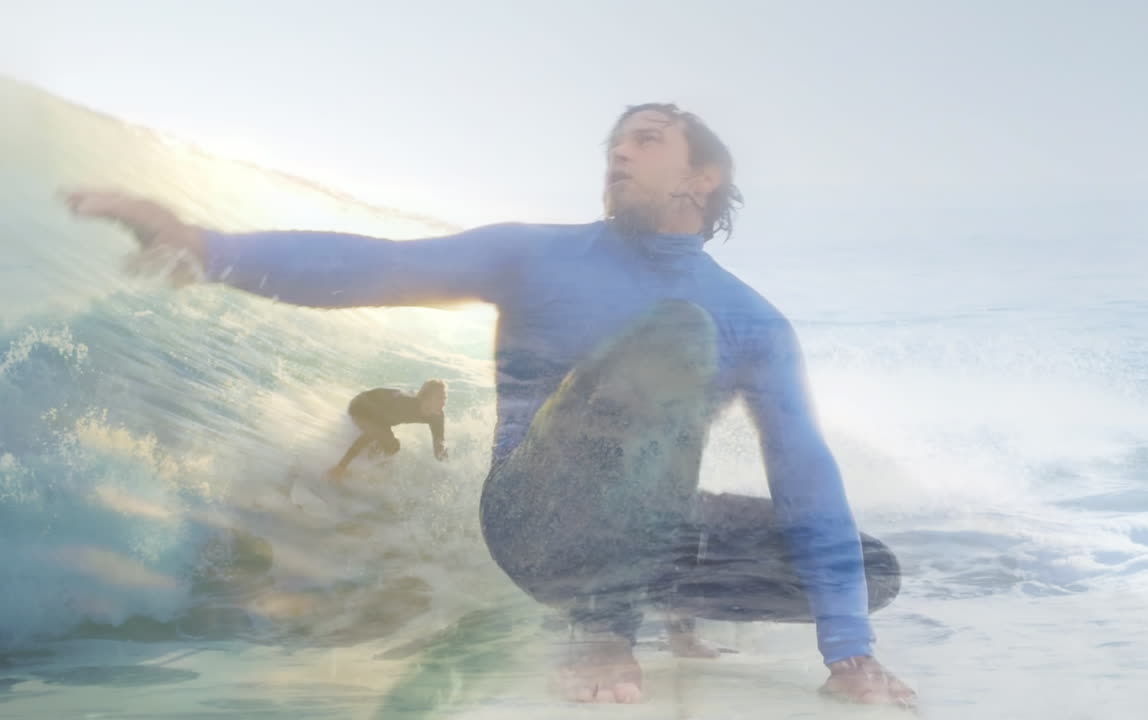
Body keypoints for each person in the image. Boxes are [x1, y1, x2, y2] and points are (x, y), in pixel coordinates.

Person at [63, 102, 917, 709]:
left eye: (646, 140)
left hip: (641, 531)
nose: (618, 154)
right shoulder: (533, 255)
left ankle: (665, 598)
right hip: (530, 521)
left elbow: (804, 474)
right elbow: (373, 267)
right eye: (614, 143)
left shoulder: (754, 320)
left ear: (704, 175)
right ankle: (604, 626)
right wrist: (206, 247)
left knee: (871, 571)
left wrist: (848, 649)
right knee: (675, 338)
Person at [328, 380, 449, 482]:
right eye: (439, 398)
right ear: (426, 398)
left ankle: (367, 468)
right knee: (388, 442)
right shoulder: (405, 405)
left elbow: (439, 448)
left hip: (381, 413)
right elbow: (371, 433)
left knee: (392, 446)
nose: (443, 402)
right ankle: (343, 470)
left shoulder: (437, 416)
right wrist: (342, 465)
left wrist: (451, 471)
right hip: (361, 406)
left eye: (445, 398)